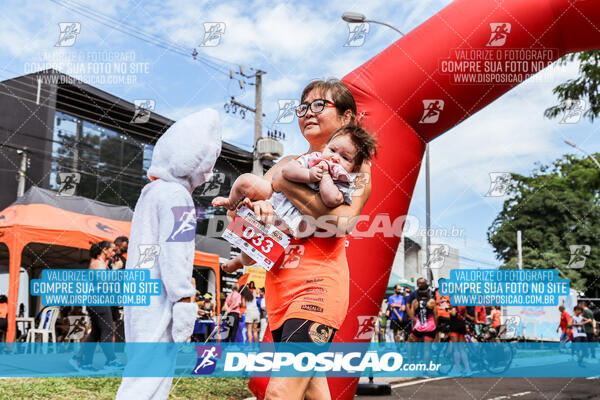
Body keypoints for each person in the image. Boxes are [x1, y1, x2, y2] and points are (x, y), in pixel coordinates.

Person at [220, 79, 373, 399]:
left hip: (317, 289)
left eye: (320, 105)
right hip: (279, 294)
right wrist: (253, 208)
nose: (308, 113)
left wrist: (284, 183)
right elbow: (251, 223)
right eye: (302, 107)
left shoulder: (355, 169)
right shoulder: (287, 162)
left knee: (280, 393)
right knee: (312, 393)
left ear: (346, 117)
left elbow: (340, 222)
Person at [116, 109, 221, 400]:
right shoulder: (179, 198)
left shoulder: (151, 193)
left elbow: (146, 251)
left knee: (139, 372)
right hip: (161, 298)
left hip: (140, 294)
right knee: (149, 381)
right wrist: (184, 299)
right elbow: (176, 253)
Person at [214, 123, 376, 272]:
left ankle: (240, 260)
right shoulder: (312, 160)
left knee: (258, 245)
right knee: (245, 180)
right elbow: (287, 171)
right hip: (277, 202)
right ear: (325, 147)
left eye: (345, 158)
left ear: (353, 167)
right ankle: (231, 202)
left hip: (295, 223)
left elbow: (331, 199)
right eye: (332, 150)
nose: (335, 158)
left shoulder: (343, 181)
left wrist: (325, 176)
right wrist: (308, 174)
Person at [70, 241, 122, 372]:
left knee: (96, 333)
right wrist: (116, 269)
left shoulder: (102, 263)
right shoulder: (97, 263)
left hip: (98, 300)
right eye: (113, 250)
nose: (114, 253)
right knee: (108, 330)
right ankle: (111, 360)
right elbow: (103, 281)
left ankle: (84, 362)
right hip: (98, 301)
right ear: (104, 250)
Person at [449, 305, 472, 376]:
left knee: (456, 349)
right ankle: (468, 369)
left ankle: (457, 370)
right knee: (462, 349)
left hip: (455, 325)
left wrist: (448, 310)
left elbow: (453, 313)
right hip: (462, 325)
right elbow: (465, 314)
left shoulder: (453, 302)